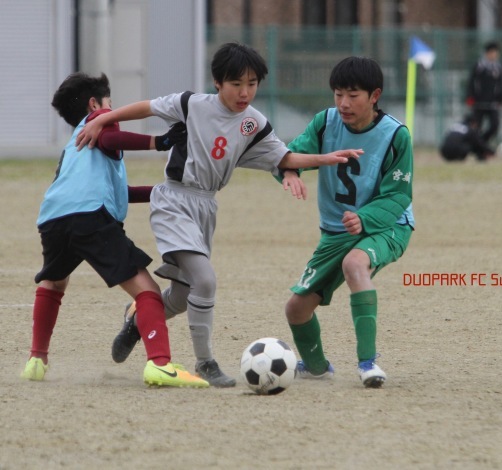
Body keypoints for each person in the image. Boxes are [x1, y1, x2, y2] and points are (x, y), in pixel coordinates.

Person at [75, 42, 362, 388]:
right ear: (217, 82)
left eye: (252, 84)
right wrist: (104, 119)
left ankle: (136, 323)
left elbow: (284, 158)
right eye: (236, 84)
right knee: (206, 280)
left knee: (182, 297)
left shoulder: (254, 123)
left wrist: (326, 158)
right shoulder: (191, 104)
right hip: (174, 201)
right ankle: (206, 363)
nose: (245, 93)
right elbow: (146, 108)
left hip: (206, 208)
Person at [21, 72, 209, 388]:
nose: (113, 110)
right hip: (88, 217)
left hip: (54, 218)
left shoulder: (73, 147)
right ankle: (160, 365)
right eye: (110, 103)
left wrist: (165, 191)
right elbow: (109, 137)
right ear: (95, 104)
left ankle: (36, 360)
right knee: (147, 290)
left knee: (54, 283)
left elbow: (120, 191)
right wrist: (159, 142)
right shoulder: (100, 121)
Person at [281, 56, 414, 388]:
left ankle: (368, 363)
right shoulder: (325, 123)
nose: (343, 103)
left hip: (387, 226)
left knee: (356, 265)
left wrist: (364, 218)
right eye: (338, 93)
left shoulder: (396, 135)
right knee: (296, 309)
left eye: (353, 95)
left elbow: (399, 195)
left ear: (374, 95)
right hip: (335, 232)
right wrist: (288, 171)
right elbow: (290, 154)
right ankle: (315, 367)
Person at [465, 41, 502, 146]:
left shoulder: (498, 68)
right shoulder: (479, 66)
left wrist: (500, 99)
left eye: (496, 53)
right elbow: (471, 82)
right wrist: (470, 97)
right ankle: (477, 148)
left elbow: (500, 85)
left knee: (495, 125)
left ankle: (482, 144)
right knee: (476, 126)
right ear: (487, 53)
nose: (494, 55)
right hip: (479, 102)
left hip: (492, 102)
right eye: (492, 52)